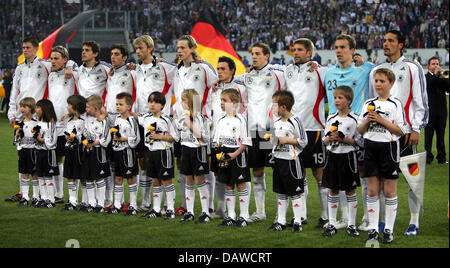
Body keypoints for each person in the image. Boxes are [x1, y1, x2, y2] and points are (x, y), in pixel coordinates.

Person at [369, 30, 428, 237]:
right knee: (385, 180)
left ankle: (414, 221)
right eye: (384, 40)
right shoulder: (376, 70)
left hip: (405, 135)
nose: (386, 44)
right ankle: (384, 221)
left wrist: (416, 128)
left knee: (412, 179)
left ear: (401, 44)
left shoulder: (412, 68)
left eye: (391, 41)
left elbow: (421, 101)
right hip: (382, 136)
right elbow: (371, 102)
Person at [6, 37, 74, 203]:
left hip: (38, 118)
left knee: (43, 156)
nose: (25, 50)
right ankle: (24, 193)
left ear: (36, 48)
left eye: (28, 47)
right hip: (21, 118)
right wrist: (11, 113)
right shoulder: (20, 68)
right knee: (22, 154)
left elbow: (68, 62)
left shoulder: (46, 65)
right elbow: (14, 92)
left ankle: (48, 194)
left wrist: (71, 65)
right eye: (23, 47)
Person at [324, 34, 375, 230]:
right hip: (335, 128)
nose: (338, 50)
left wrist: (365, 61)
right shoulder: (328, 72)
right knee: (336, 180)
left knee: (361, 175)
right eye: (336, 47)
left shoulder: (364, 70)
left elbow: (379, 69)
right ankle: (343, 218)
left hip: (357, 129)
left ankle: (364, 218)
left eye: (343, 47)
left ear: (352, 50)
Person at [233, 42, 286, 223]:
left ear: (266, 56)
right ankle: (260, 211)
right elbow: (230, 79)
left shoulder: (278, 72)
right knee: (257, 171)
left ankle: (282, 214)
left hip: (270, 129)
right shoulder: (247, 76)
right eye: (252, 53)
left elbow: (294, 72)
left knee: (279, 169)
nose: (253, 56)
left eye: (257, 54)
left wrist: (315, 64)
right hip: (254, 130)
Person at [358, 68, 408, 244]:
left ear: (391, 84)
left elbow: (401, 130)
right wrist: (367, 121)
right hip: (371, 147)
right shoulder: (368, 103)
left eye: (382, 81)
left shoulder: (395, 104)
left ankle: (388, 229)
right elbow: (360, 130)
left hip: (389, 148)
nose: (378, 84)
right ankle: (373, 230)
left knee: (388, 191)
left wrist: (381, 120)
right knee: (372, 190)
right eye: (376, 81)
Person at [172, 35, 217, 216]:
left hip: (200, 121)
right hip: (180, 123)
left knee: (205, 166)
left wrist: (209, 115)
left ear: (192, 48)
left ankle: (210, 206)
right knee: (183, 165)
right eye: (178, 48)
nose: (180, 51)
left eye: (183, 47)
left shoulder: (204, 68)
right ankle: (185, 205)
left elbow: (216, 86)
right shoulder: (176, 69)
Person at [285, 38, 328, 228]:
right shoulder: (287, 71)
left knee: (319, 173)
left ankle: (326, 215)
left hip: (314, 129)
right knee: (298, 173)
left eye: (300, 50)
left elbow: (340, 73)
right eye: (294, 49)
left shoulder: (320, 71)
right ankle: (300, 215)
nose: (295, 52)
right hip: (294, 130)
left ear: (309, 53)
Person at [132, 35, 177, 212]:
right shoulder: (133, 69)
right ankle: (145, 202)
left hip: (161, 121)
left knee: (163, 162)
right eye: (136, 49)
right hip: (142, 119)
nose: (137, 51)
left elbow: (184, 69)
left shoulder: (165, 67)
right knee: (144, 161)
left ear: (150, 49)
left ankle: (168, 205)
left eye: (141, 48)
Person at [209, 56, 248, 220]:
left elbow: (246, 109)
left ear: (232, 70)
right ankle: (221, 209)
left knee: (241, 177)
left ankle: (243, 213)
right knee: (220, 175)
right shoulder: (215, 89)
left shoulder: (240, 88)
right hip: (218, 137)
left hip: (236, 140)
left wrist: (238, 131)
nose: (219, 72)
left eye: (223, 68)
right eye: (218, 69)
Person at [321, 86, 361, 237]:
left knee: (350, 190)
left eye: (340, 98)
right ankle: (332, 224)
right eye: (335, 97)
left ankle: (351, 224)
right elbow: (325, 141)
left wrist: (343, 139)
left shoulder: (355, 119)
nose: (337, 100)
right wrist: (330, 138)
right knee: (332, 190)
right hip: (332, 156)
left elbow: (359, 143)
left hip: (348, 157)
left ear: (349, 100)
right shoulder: (331, 117)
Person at [266, 91, 308, 232]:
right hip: (279, 160)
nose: (273, 108)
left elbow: (303, 141)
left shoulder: (295, 121)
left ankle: (297, 221)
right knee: (280, 192)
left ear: (283, 107)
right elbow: (273, 139)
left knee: (295, 192)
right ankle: (281, 221)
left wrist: (286, 140)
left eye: (275, 105)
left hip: (292, 160)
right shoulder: (276, 122)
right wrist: (272, 139)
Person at [214, 88, 252, 228]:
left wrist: (234, 155)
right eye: (221, 100)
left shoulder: (241, 119)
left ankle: (243, 216)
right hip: (224, 156)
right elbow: (216, 140)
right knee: (228, 185)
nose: (221, 103)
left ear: (234, 102)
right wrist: (219, 151)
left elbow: (246, 142)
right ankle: (231, 216)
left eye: (225, 100)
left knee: (241, 184)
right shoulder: (220, 120)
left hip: (237, 155)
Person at [138, 92, 179, 219]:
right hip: (151, 152)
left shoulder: (167, 119)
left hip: (164, 152)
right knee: (155, 181)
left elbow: (176, 137)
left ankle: (170, 209)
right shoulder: (145, 118)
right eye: (150, 101)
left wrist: (160, 136)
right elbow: (133, 116)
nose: (152, 104)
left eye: (155, 102)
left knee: (166, 180)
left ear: (162, 105)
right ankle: (156, 209)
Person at [175, 89, 211, 223]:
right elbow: (176, 135)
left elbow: (206, 138)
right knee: (188, 180)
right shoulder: (181, 118)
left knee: (200, 180)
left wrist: (190, 125)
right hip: (186, 150)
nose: (181, 102)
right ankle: (189, 212)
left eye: (183, 100)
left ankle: (205, 212)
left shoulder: (201, 118)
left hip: (198, 150)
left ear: (190, 101)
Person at [48, 45, 77, 204]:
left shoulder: (73, 73)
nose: (53, 61)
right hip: (55, 125)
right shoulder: (50, 75)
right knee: (57, 159)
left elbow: (77, 63)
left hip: (69, 125)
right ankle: (59, 194)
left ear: (65, 60)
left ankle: (74, 198)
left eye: (56, 58)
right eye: (51, 58)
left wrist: (71, 65)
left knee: (73, 160)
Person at [107, 92, 140, 216]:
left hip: (128, 152)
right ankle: (117, 204)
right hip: (117, 151)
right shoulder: (116, 119)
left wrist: (124, 139)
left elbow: (136, 139)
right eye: (116, 104)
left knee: (130, 178)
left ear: (129, 106)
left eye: (121, 104)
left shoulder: (132, 121)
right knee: (118, 178)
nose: (118, 107)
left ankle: (133, 205)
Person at [83, 94, 112, 213]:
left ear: (95, 108)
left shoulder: (103, 120)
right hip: (88, 151)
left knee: (100, 178)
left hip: (99, 152)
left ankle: (100, 203)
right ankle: (91, 203)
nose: (86, 109)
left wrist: (94, 143)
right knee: (88, 178)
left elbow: (106, 138)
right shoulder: (86, 118)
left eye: (88, 107)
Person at [61, 95, 87, 211]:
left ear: (75, 107)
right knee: (70, 175)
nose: (67, 107)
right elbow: (66, 134)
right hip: (70, 151)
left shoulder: (83, 121)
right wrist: (68, 138)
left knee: (82, 176)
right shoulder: (69, 121)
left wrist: (77, 138)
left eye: (69, 105)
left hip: (79, 152)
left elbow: (84, 136)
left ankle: (85, 201)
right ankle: (72, 200)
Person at [34, 99, 59, 208]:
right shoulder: (37, 123)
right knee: (40, 176)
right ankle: (43, 198)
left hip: (48, 153)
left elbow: (53, 142)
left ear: (44, 109)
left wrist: (42, 140)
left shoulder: (51, 125)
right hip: (39, 152)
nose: (36, 110)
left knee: (48, 177)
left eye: (38, 108)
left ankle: (51, 200)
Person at [424, 56, 449, 164]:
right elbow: (428, 87)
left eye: (437, 64)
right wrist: (434, 75)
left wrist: (443, 78)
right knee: (428, 136)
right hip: (430, 111)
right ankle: (428, 158)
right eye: (433, 64)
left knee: (441, 136)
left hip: (442, 111)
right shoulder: (425, 77)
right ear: (429, 66)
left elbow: (448, 88)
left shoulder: (442, 76)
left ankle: (442, 158)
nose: (436, 66)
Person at [15, 97, 39, 206]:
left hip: (33, 151)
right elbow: (17, 140)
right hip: (23, 151)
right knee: (24, 173)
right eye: (21, 106)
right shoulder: (19, 123)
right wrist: (18, 147)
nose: (22, 109)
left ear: (31, 108)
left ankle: (35, 196)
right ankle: (25, 197)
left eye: (24, 107)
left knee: (34, 174)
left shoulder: (36, 123)